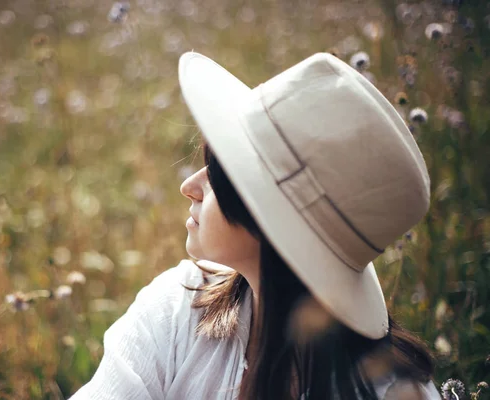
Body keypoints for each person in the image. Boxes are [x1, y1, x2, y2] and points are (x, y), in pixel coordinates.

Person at [70, 52, 441, 399]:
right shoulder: (177, 308)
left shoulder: (397, 392)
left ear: (265, 222)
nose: (189, 186)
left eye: (216, 174)